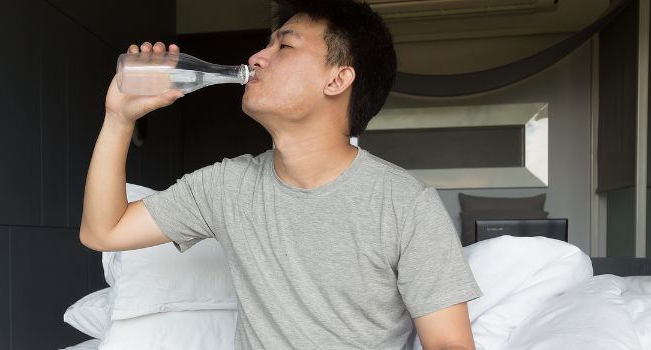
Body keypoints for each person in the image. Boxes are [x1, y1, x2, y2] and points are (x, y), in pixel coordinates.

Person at [79, 0, 482, 348]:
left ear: (338, 78)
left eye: (285, 45)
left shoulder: (406, 204)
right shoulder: (228, 187)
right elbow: (104, 231)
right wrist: (118, 119)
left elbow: (449, 342)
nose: (256, 57)